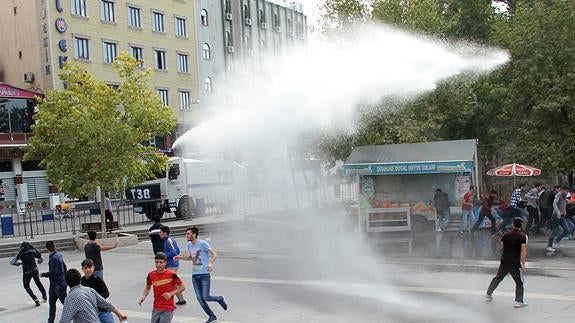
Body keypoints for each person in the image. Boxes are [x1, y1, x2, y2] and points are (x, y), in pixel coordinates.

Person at [175, 227, 227, 323]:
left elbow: (214, 254)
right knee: (199, 298)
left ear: (194, 235)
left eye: (188, 234)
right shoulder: (189, 245)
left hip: (204, 274)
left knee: (206, 297)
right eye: (186, 234)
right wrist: (180, 258)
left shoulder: (203, 243)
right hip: (195, 275)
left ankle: (220, 299)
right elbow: (191, 258)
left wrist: (210, 263)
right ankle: (212, 316)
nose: (186, 235)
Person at [485, 217, 528, 308]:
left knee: (498, 278)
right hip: (515, 263)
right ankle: (519, 301)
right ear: (521, 225)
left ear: (513, 224)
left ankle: (488, 294)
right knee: (519, 282)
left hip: (504, 261)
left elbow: (501, 248)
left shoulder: (506, 235)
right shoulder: (523, 237)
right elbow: (523, 251)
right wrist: (523, 264)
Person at [59, 268, 127, 323]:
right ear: (80, 279)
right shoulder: (89, 290)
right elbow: (106, 303)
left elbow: (64, 320)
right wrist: (119, 315)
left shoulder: (70, 298)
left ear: (67, 282)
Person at [138, 252, 186, 323]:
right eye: (156, 262)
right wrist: (144, 296)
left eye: (161, 262)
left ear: (165, 263)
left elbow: (182, 287)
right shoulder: (151, 274)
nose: (158, 264)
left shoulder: (172, 274)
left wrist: (170, 294)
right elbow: (148, 287)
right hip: (156, 307)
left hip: (168, 307)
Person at [11, 241, 47, 306]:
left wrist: (18, 264)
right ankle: (44, 295)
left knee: (26, 286)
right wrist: (39, 261)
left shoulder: (21, 252)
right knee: (38, 282)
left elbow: (12, 262)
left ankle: (35, 298)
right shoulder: (32, 249)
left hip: (27, 271)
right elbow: (41, 257)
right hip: (35, 269)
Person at [41, 241, 68, 323]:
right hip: (60, 283)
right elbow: (65, 267)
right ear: (55, 247)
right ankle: (50, 320)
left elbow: (53, 272)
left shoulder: (53, 258)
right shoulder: (59, 255)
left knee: (60, 304)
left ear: (47, 249)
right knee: (55, 303)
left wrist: (43, 274)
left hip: (56, 284)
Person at [80, 259, 115, 323]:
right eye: (85, 268)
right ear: (82, 269)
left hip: (102, 310)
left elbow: (106, 293)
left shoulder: (97, 279)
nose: (88, 270)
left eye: (90, 267)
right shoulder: (81, 281)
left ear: (93, 268)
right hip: (90, 311)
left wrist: (96, 298)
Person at [160, 225, 187, 305]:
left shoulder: (168, 241)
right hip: (172, 264)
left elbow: (174, 252)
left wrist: (164, 256)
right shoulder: (171, 240)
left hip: (172, 264)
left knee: (169, 283)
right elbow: (177, 250)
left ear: (165, 233)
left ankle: (169, 301)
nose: (159, 234)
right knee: (173, 283)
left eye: (160, 232)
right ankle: (181, 299)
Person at [547, 186, 569, 252]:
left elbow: (564, 204)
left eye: (567, 191)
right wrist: (558, 212)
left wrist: (564, 211)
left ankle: (557, 241)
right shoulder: (558, 195)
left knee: (567, 229)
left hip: (562, 216)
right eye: (566, 191)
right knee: (555, 230)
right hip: (556, 215)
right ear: (562, 190)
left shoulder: (564, 196)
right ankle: (549, 246)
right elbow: (554, 204)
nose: (567, 192)